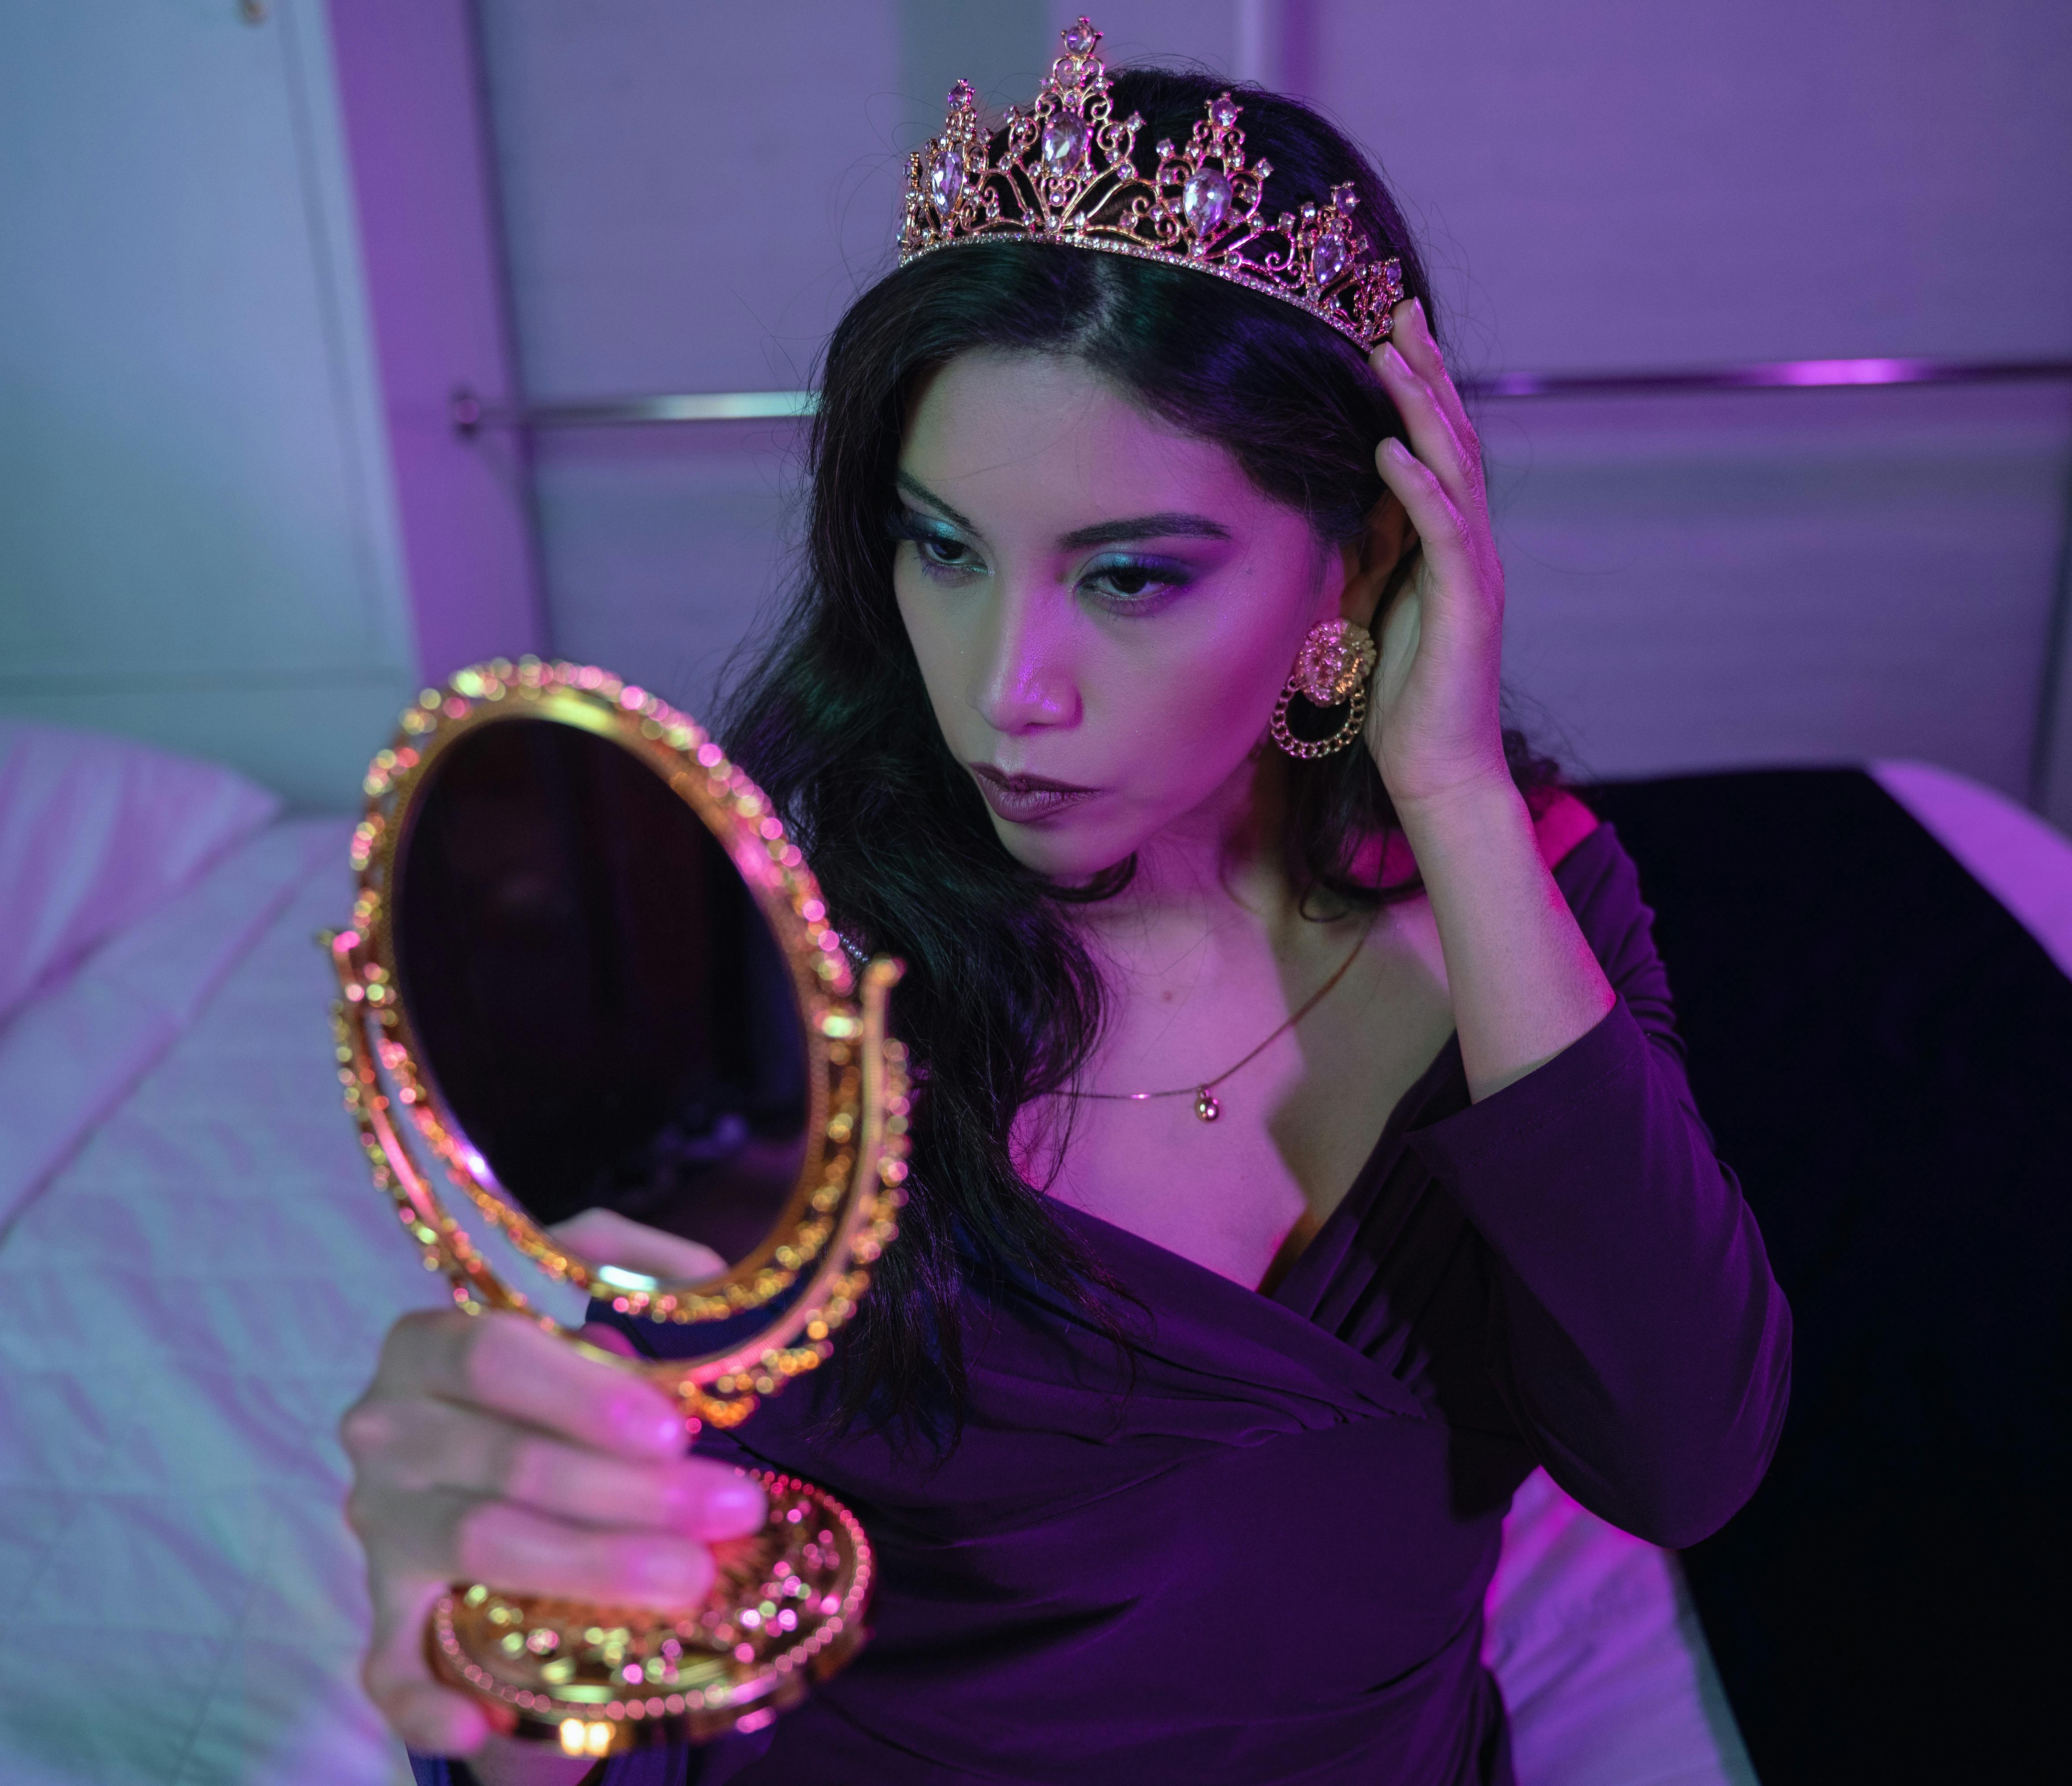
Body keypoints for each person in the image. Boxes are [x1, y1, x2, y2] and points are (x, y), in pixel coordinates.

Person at [345, 25, 1791, 1785]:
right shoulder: (800, 955)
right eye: (943, 548)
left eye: (1130, 579)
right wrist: (512, 1701)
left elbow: (1683, 1456)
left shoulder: (1520, 907)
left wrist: (1459, 791)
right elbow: (631, 1592)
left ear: (1359, 565)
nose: (1001, 691)